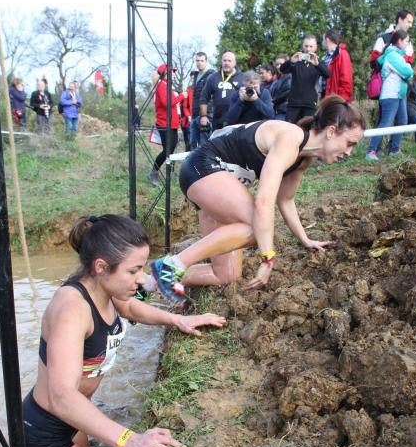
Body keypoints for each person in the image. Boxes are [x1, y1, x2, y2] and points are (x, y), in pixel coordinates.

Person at [25, 214, 225, 447]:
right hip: (46, 432)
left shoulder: (106, 288)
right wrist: (129, 440)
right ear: (101, 266)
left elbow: (131, 307)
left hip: (75, 419)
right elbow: (61, 396)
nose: (142, 278)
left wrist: (179, 320)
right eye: (133, 270)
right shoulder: (71, 310)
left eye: (142, 268)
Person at [147, 96, 366, 305]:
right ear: (331, 131)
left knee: (225, 274)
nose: (349, 152)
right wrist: (267, 257)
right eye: (349, 143)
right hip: (201, 168)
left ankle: (146, 283)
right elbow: (264, 202)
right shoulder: (291, 137)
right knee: (256, 227)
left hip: (219, 187)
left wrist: (305, 239)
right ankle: (171, 266)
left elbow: (286, 201)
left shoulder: (302, 159)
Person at [365, 30, 413, 161]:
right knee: (385, 123)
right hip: (390, 94)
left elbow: (405, 72)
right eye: (407, 41)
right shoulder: (392, 55)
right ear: (399, 41)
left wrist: (407, 67)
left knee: (402, 121)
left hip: (399, 94)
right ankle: (371, 151)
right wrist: (408, 66)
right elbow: (407, 72)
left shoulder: (398, 55)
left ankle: (394, 150)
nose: (409, 44)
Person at [148, 63, 186, 186]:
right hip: (164, 124)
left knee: (172, 150)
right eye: (172, 72)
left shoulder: (166, 86)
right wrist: (182, 96)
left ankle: (171, 173)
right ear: (165, 73)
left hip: (172, 124)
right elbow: (167, 103)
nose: (174, 74)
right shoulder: (161, 86)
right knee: (168, 150)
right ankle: (153, 172)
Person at [280, 36, 330, 124]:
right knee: (289, 130)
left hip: (310, 104)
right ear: (302, 46)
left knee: (307, 131)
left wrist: (317, 64)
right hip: (293, 104)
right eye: (306, 46)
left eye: (311, 46)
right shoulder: (296, 60)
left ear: (316, 47)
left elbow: (328, 74)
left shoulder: (317, 62)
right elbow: (282, 69)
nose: (308, 49)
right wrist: (291, 61)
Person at [199, 51, 241, 132]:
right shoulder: (213, 77)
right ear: (221, 62)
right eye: (224, 61)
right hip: (218, 122)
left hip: (237, 122)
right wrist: (204, 116)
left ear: (235, 62)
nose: (226, 63)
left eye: (229, 61)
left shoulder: (242, 77)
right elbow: (204, 97)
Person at [189, 52, 216, 150]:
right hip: (194, 115)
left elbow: (210, 97)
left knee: (204, 145)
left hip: (205, 116)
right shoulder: (196, 75)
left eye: (202, 61)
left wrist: (206, 115)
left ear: (206, 62)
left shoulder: (211, 75)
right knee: (193, 143)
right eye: (197, 61)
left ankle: (204, 165)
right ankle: (194, 165)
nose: (199, 63)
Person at [323, 29, 354, 101]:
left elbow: (346, 80)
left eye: (323, 40)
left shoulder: (342, 54)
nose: (322, 42)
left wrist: (342, 100)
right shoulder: (325, 58)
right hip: (326, 98)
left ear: (327, 40)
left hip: (336, 100)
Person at [270, 56, 292, 120]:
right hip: (276, 111)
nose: (279, 66)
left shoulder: (290, 77)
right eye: (277, 64)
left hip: (284, 111)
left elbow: (285, 94)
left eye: (282, 64)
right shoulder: (277, 80)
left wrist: (271, 102)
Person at [181, 71, 195, 148]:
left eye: (194, 78)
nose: (193, 80)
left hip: (201, 119)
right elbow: (185, 106)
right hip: (189, 121)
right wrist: (188, 116)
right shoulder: (188, 90)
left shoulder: (204, 88)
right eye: (192, 78)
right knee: (189, 143)